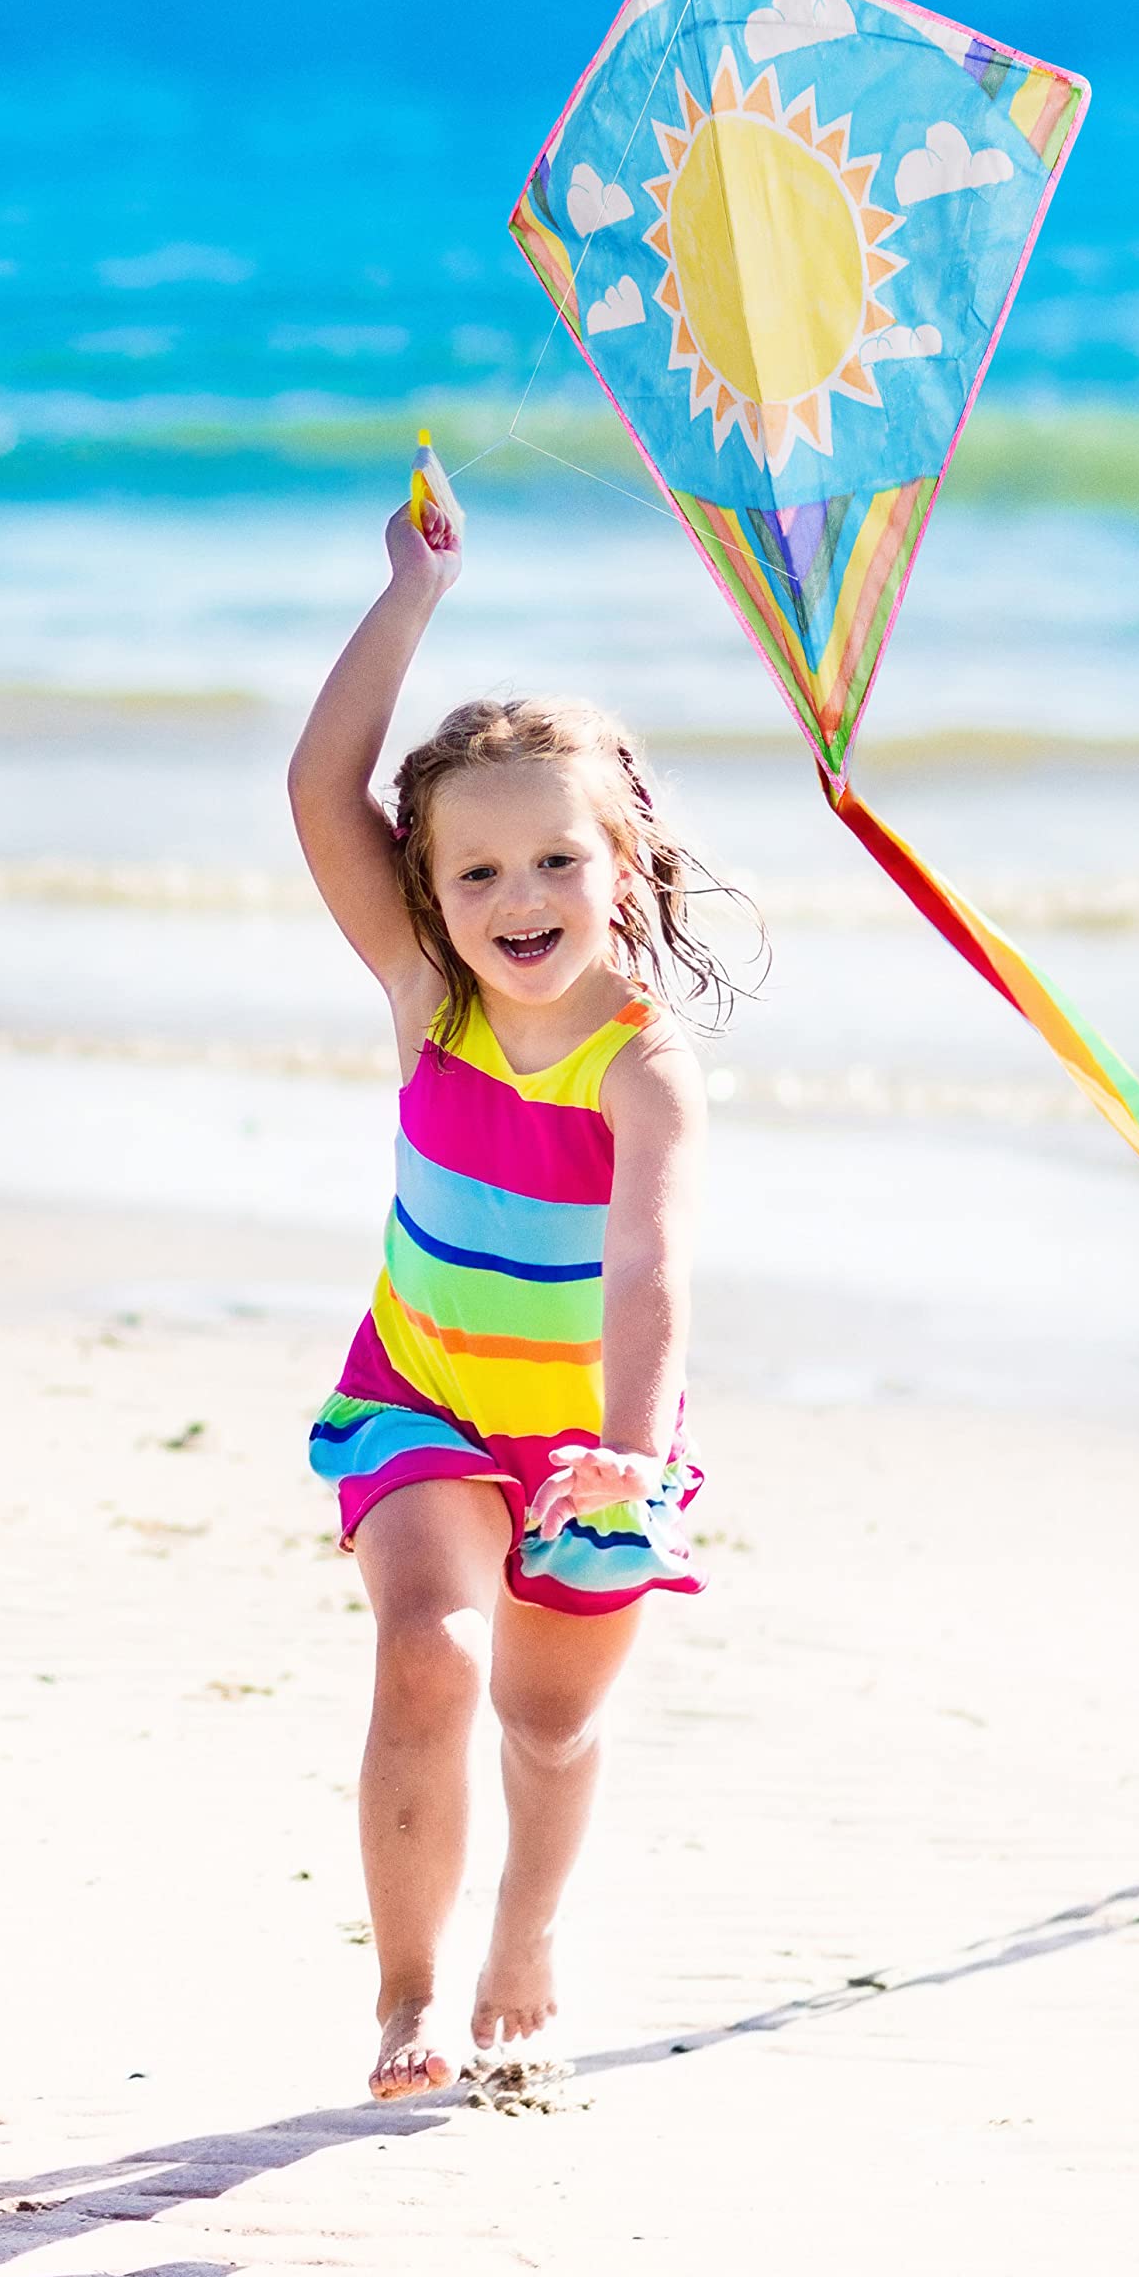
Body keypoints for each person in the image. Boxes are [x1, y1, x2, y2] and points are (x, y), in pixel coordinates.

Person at [288, 496, 752, 2100]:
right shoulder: (431, 1000)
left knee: (550, 1727)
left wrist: (628, 1448)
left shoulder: (645, 1068)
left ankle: (526, 1938)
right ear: (430, 888)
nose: (520, 894)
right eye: (477, 869)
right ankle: (408, 1999)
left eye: (558, 857)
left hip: (593, 1444)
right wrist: (411, 595)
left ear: (624, 865)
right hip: (420, 1397)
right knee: (429, 1651)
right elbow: (319, 792)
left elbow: (651, 1266)